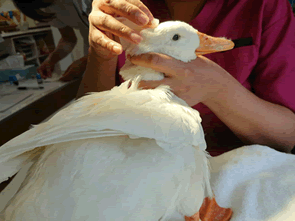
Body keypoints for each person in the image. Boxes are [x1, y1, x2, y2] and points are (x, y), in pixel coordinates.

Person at [77, 0, 295, 156]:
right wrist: (100, 54)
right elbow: (85, 127)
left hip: (234, 164)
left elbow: (287, 137)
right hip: (134, 161)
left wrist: (218, 89)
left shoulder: (265, 6)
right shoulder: (123, 10)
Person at [12, 0, 90, 81]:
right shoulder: (47, 8)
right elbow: (69, 39)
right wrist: (51, 60)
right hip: (91, 48)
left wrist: (86, 61)